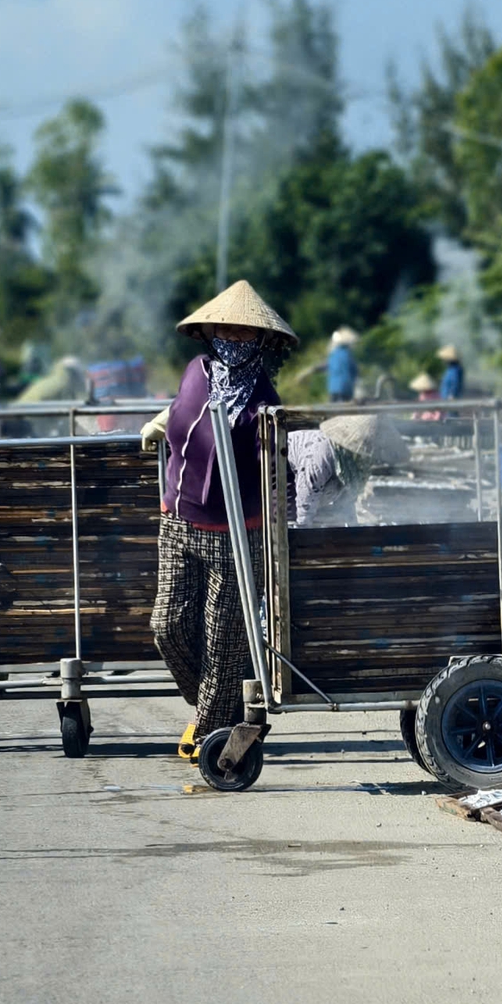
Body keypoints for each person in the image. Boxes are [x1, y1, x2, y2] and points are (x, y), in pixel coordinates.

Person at [144, 280, 296, 759]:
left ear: (261, 341)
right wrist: (158, 423)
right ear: (211, 330)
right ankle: (220, 706)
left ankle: (210, 731)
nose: (234, 336)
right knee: (166, 626)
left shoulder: (265, 402)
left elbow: (279, 468)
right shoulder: (196, 372)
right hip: (179, 521)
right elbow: (181, 411)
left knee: (222, 638)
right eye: (227, 327)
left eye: (246, 332)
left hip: (236, 533)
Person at [326, 327, 359, 403]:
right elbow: (355, 371)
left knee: (332, 411)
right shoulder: (348, 355)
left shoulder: (333, 354)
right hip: (346, 388)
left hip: (333, 389)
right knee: (344, 411)